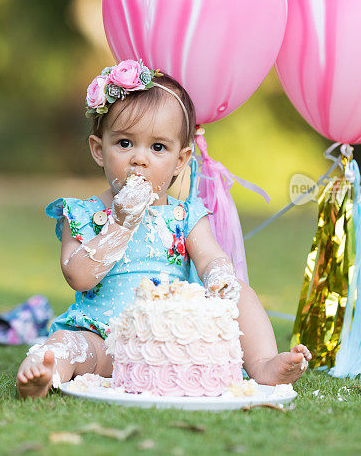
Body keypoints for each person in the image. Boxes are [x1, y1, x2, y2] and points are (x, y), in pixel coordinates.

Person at [17, 60, 311, 399]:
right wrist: (120, 224)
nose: (139, 159)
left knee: (240, 292)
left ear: (181, 160)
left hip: (171, 343)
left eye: (158, 148)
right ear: (99, 150)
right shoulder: (81, 213)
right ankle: (45, 371)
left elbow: (211, 257)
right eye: (125, 143)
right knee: (67, 344)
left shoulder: (185, 215)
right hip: (102, 340)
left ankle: (262, 363)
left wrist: (218, 277)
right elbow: (78, 276)